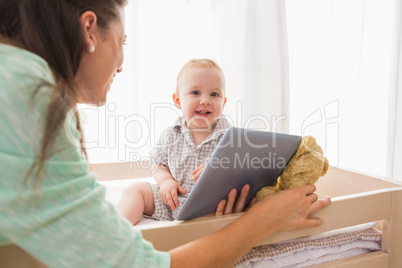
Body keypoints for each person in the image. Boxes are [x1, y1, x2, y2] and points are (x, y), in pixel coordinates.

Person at [0, 1, 331, 267]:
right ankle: (121, 222)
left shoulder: (17, 75)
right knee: (138, 189)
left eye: (215, 95)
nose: (122, 63)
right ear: (89, 30)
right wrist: (265, 219)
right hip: (170, 195)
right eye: (123, 42)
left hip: (198, 201)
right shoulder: (27, 90)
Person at [117, 58, 237, 225]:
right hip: (171, 202)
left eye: (214, 94)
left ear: (223, 103)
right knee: (136, 189)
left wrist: (218, 174)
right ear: (178, 100)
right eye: (195, 93)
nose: (205, 100)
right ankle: (118, 228)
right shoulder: (171, 134)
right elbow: (158, 164)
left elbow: (239, 175)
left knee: (235, 205)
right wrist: (165, 180)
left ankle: (195, 231)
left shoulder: (231, 138)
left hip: (209, 207)